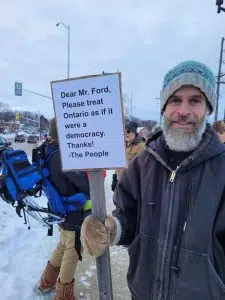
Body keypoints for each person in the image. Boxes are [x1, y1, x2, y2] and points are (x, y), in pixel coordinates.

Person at [81, 61, 225, 300]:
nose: (183, 110)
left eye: (195, 100)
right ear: (164, 108)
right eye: (175, 100)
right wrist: (111, 229)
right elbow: (128, 216)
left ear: (208, 109)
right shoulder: (143, 164)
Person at [35, 118, 91, 300]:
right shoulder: (64, 155)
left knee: (64, 243)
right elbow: (84, 184)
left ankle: (46, 282)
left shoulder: (47, 149)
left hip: (58, 207)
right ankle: (64, 296)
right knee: (73, 249)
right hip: (72, 208)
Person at [111, 121, 145, 192]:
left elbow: (144, 166)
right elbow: (119, 163)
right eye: (124, 131)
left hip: (134, 183)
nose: (126, 133)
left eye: (128, 131)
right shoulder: (123, 145)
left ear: (134, 133)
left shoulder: (141, 146)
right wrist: (115, 177)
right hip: (121, 181)